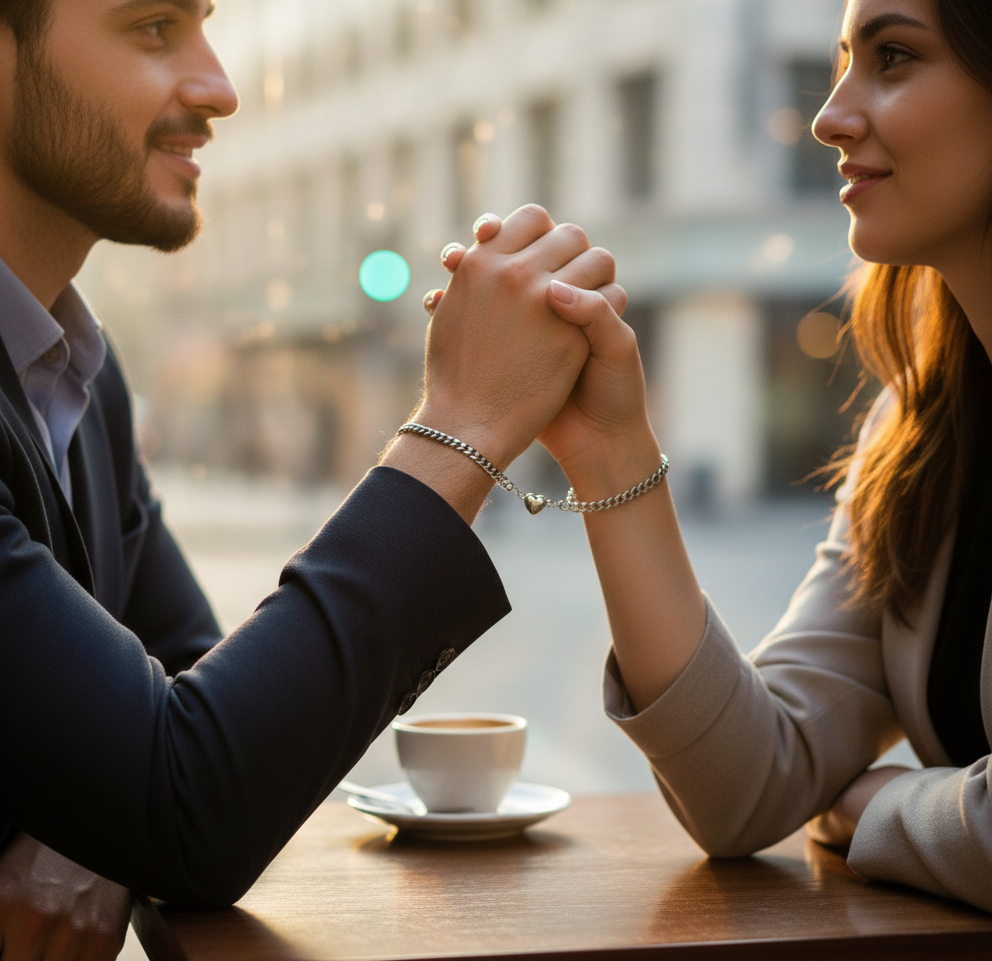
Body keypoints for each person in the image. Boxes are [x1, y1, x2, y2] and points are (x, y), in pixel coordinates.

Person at [0, 0, 627, 957]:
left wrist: (105, 821)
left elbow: (214, 718)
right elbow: (194, 793)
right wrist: (459, 429)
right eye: (153, 26)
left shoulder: (84, 374)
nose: (220, 87)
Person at [436, 0, 992, 916]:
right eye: (846, 56)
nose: (829, 113)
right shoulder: (924, 428)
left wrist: (880, 805)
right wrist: (610, 453)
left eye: (894, 57)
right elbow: (747, 786)